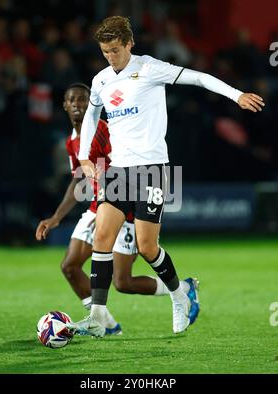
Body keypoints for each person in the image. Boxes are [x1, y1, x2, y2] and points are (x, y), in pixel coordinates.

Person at [69, 16, 265, 336]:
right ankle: (97, 315)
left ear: (130, 44)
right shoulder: (102, 80)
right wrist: (83, 156)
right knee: (102, 237)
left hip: (153, 170)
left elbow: (199, 79)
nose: (111, 56)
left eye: (116, 50)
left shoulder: (149, 68)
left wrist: (236, 94)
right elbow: (92, 114)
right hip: (118, 171)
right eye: (105, 51)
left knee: (147, 247)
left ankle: (180, 294)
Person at [36, 82, 199, 336]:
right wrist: (57, 217)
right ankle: (104, 324)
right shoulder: (72, 141)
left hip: (125, 208)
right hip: (98, 207)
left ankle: (183, 289)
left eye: (83, 99)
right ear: (65, 105)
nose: (78, 104)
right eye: (72, 100)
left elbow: (125, 165)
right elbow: (79, 178)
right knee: (69, 266)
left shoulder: (103, 130)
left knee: (123, 281)